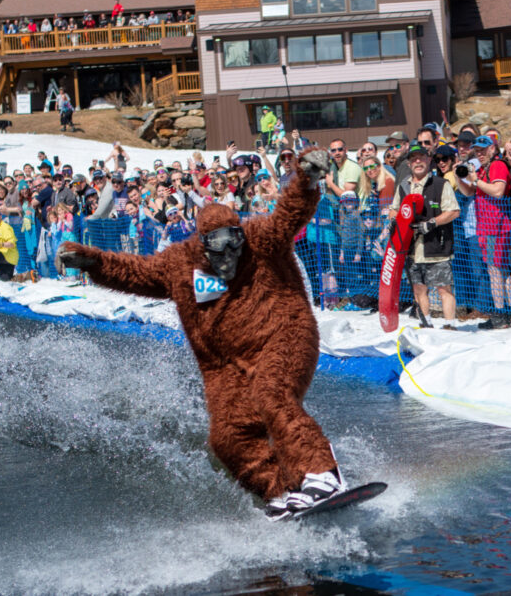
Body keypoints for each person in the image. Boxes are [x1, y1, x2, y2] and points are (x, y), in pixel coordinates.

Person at [57, 148, 350, 520]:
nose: (229, 255)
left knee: (271, 395)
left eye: (234, 245)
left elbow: (289, 214)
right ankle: (280, 491)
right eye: (219, 249)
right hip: (225, 363)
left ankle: (322, 473)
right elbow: (134, 271)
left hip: (281, 334)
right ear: (202, 246)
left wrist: (306, 176)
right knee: (227, 436)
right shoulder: (178, 262)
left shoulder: (260, 237)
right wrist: (93, 261)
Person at [387, 143, 460, 329]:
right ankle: (425, 323)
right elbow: (393, 210)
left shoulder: (440, 184)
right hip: (412, 248)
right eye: (413, 159)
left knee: (444, 287)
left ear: (428, 160)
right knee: (419, 288)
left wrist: (431, 223)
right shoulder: (403, 186)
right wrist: (397, 221)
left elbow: (453, 211)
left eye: (421, 158)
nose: (417, 161)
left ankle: (450, 324)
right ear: (409, 163)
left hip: (437, 246)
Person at [458, 135, 511, 329]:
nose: (480, 153)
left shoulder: (497, 165)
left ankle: (500, 314)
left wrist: (476, 181)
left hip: (496, 227)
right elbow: (468, 192)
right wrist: (461, 177)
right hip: (490, 227)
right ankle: (509, 312)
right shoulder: (482, 170)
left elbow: (498, 191)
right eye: (477, 150)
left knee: (495, 271)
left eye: (484, 149)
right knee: (501, 270)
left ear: (493, 149)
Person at [0, 205, 17, 281]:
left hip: (8, 257)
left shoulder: (5, 228)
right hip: (1, 260)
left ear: (0, 217)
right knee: (4, 279)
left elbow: (11, 244)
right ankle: (24, 276)